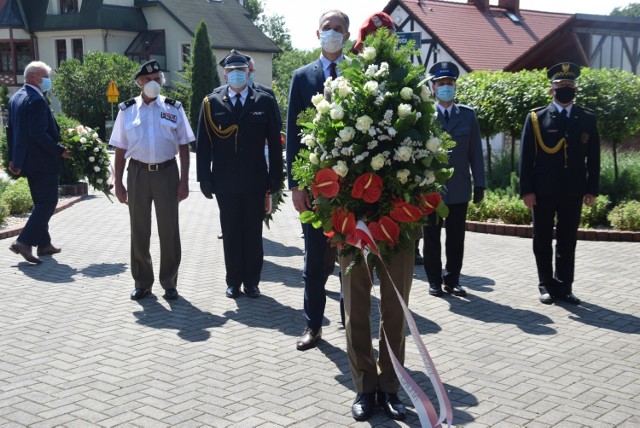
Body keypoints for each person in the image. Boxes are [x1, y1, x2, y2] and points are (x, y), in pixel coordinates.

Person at [286, 9, 350, 351]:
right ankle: (313, 325)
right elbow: (293, 137)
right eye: (328, 28)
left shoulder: (359, 74)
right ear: (317, 33)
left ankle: (350, 324)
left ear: (348, 35)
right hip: (314, 188)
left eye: (338, 29)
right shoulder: (302, 76)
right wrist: (295, 186)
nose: (332, 33)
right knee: (314, 260)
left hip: (354, 189)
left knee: (349, 262)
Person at [196, 50, 283, 299]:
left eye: (240, 71)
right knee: (231, 231)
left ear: (248, 72)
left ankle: (252, 281)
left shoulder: (264, 101)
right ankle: (233, 280)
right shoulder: (211, 102)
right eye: (231, 72)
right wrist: (204, 177)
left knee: (253, 232)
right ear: (224, 74)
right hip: (225, 181)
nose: (236, 75)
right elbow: (203, 144)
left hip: (255, 179)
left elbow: (275, 143)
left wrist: (275, 177)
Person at [110, 59, 193, 301]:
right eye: (148, 80)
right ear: (139, 83)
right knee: (139, 230)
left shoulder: (174, 107)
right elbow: (119, 148)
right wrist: (118, 182)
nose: (153, 83)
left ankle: (169, 282)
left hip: (167, 172)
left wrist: (184, 180)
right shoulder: (127, 110)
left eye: (157, 79)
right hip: (137, 173)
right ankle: (143, 282)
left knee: (169, 230)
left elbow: (185, 146)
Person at [519, 62, 600, 305]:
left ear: (575, 89)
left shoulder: (586, 118)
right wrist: (527, 191)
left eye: (569, 85)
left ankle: (564, 286)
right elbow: (526, 158)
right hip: (542, 191)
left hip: (573, 190)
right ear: (551, 90)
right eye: (560, 85)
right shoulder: (536, 117)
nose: (566, 89)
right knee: (542, 239)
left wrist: (592, 189)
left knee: (567, 240)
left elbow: (594, 157)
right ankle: (546, 285)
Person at [423, 61, 486, 298]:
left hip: (459, 188)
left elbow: (475, 154)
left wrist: (479, 183)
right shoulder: (425, 116)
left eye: (450, 83)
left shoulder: (468, 116)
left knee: (456, 238)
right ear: (433, 87)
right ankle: (434, 281)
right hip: (432, 189)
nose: (446, 87)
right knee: (431, 237)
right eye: (441, 84)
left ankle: (453, 280)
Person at [7, 61, 69, 264]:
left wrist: (12, 158)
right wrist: (60, 150)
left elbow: (11, 131)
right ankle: (24, 241)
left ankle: (44, 245)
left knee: (40, 202)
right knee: (47, 202)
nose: (48, 81)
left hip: (27, 161)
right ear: (34, 77)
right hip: (43, 161)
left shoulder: (16, 97)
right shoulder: (36, 100)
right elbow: (37, 133)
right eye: (46, 77)